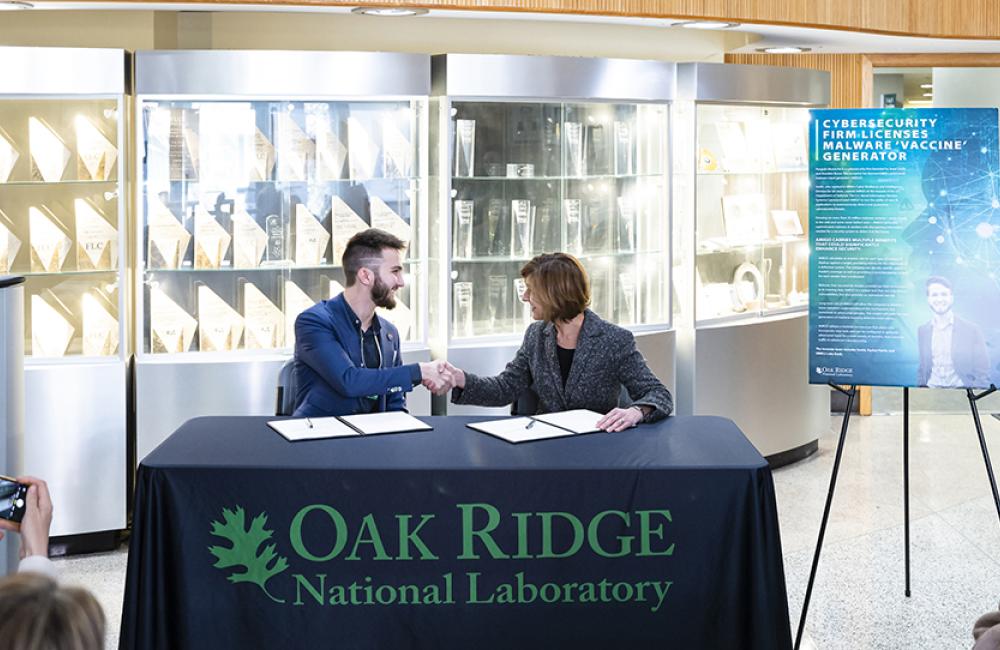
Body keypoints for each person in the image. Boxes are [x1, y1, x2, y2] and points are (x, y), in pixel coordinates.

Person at [444, 252, 673, 431]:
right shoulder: (535, 335)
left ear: (554, 294)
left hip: (599, 447)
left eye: (530, 291)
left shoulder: (614, 340)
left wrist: (636, 411)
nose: (524, 297)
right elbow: (505, 389)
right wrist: (460, 379)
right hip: (546, 447)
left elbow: (658, 394)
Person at [293, 228, 448, 417]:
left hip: (373, 441)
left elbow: (395, 403)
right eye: (395, 271)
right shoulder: (314, 322)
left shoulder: (389, 333)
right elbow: (349, 381)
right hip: (321, 438)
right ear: (365, 276)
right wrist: (419, 372)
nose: (400, 282)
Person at [917, 276, 990, 388]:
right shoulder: (923, 331)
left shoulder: (972, 330)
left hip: (962, 393)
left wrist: (974, 393)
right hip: (930, 391)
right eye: (935, 295)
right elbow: (923, 367)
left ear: (951, 297)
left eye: (944, 294)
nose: (940, 299)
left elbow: (982, 370)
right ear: (928, 299)